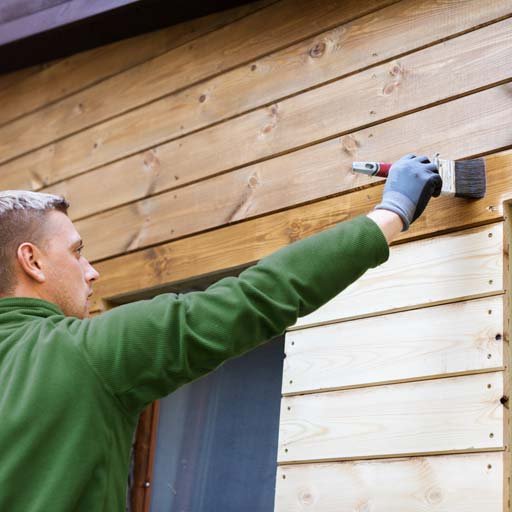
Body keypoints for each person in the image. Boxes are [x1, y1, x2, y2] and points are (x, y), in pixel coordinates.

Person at [0, 154, 441, 510]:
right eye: (77, 253)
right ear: (32, 261)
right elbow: (253, 299)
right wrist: (391, 213)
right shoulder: (84, 353)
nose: (92, 272)